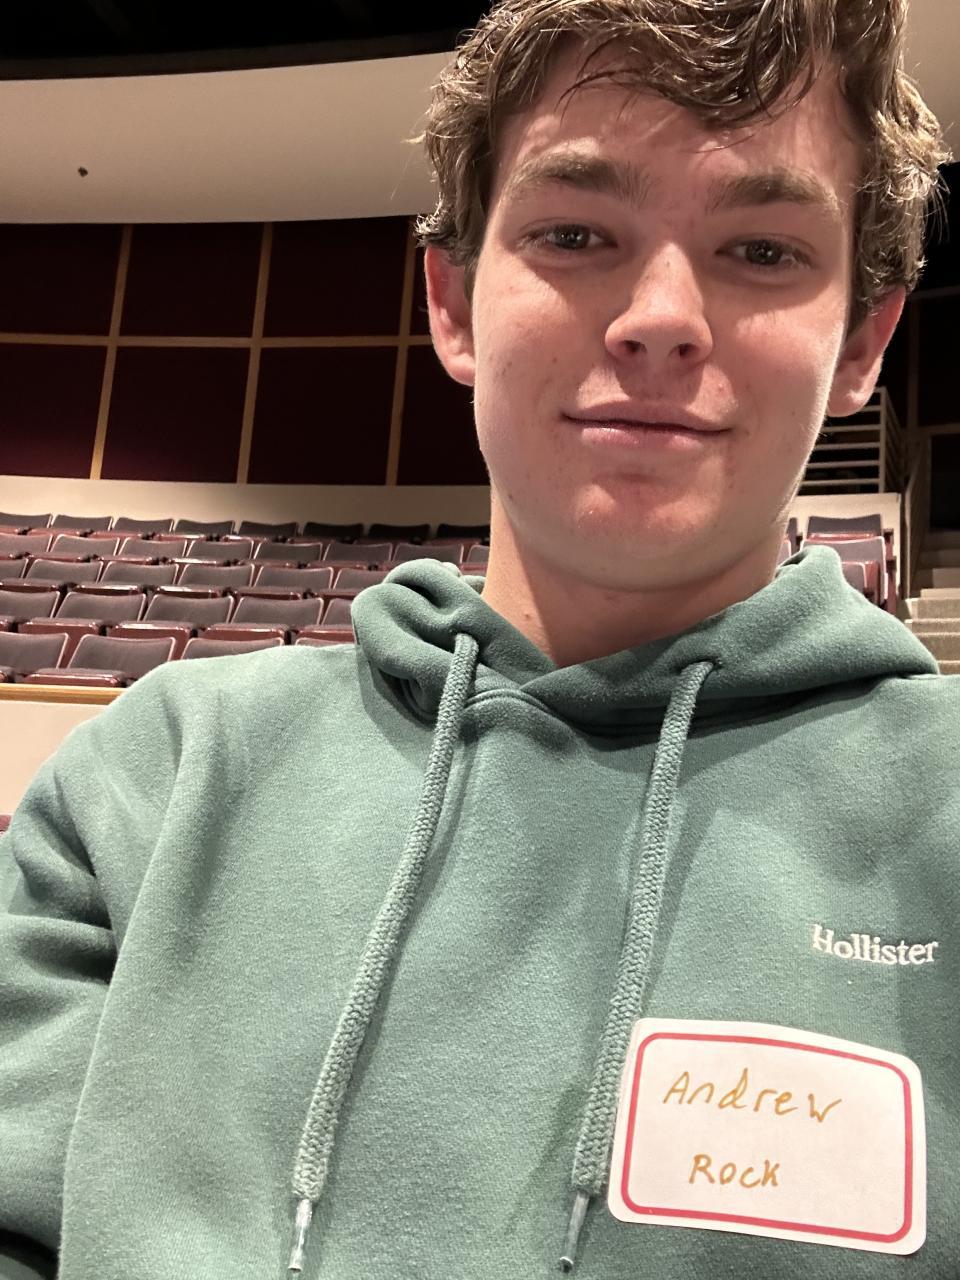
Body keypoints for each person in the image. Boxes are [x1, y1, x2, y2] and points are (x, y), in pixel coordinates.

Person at [0, 1, 955, 1276]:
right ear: (452, 304)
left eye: (764, 250)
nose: (661, 315)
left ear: (864, 342)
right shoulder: (153, 782)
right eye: (575, 233)